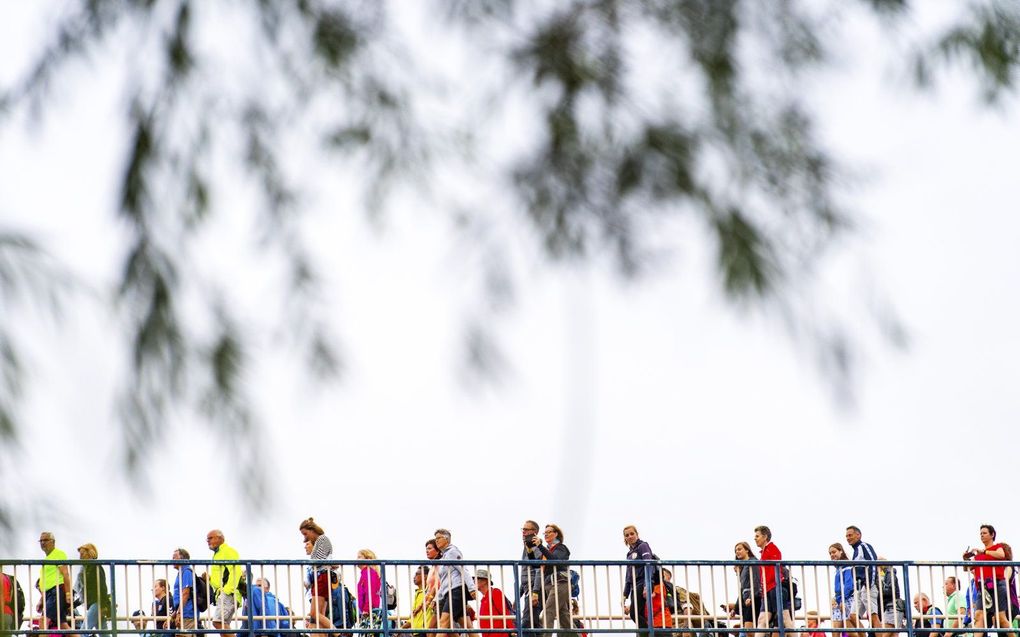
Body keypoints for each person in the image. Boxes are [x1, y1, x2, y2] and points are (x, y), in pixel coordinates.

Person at [963, 524, 1014, 636]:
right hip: (983, 588)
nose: (982, 535)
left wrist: (984, 552)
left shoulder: (997, 547)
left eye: (984, 533)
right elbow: (966, 568)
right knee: (978, 616)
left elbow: (1001, 555)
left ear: (992, 535)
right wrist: (965, 559)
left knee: (1001, 619)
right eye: (980, 533)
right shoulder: (977, 556)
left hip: (997, 585)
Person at [434, 529, 477, 637]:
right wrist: (437, 598)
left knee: (444, 623)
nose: (436, 541)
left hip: (456, 591)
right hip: (450, 592)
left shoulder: (452, 551)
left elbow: (463, 569)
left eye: (438, 538)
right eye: (435, 538)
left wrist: (472, 588)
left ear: (446, 539)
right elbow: (444, 581)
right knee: (467, 627)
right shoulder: (444, 556)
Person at [754, 525, 793, 637]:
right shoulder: (764, 551)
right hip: (767, 589)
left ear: (765, 537)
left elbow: (777, 566)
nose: (755, 538)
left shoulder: (773, 548)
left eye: (757, 536)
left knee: (785, 619)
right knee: (762, 620)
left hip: (775, 587)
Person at [538, 523, 576, 637]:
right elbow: (536, 565)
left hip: (560, 583)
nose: (546, 534)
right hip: (550, 585)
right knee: (564, 616)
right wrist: (530, 548)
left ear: (556, 534)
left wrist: (540, 547)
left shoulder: (561, 548)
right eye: (545, 533)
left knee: (548, 612)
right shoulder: (546, 550)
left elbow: (555, 560)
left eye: (549, 532)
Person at [845, 526, 882, 637]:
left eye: (850, 535)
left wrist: (869, 583)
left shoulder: (864, 546)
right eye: (846, 536)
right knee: (852, 616)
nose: (848, 538)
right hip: (860, 588)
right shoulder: (855, 551)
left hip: (868, 585)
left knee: (873, 615)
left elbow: (873, 563)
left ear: (858, 535)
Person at [300, 518, 335, 631]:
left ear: (312, 530)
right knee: (320, 614)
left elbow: (317, 560)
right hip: (320, 577)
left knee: (315, 613)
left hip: (322, 576)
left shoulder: (322, 539)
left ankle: (338, 634)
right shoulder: (320, 541)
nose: (305, 538)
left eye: (306, 534)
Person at [207, 529, 242, 637]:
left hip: (229, 592)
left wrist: (227, 591)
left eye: (210, 538)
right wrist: (209, 578)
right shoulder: (218, 554)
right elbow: (220, 578)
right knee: (223, 625)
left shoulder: (228, 551)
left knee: (218, 622)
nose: (207, 541)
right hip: (223, 593)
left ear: (220, 538)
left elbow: (236, 571)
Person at [621, 525, 656, 633]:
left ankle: (651, 634)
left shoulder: (643, 546)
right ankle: (646, 633)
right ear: (625, 538)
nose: (630, 536)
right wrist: (624, 595)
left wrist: (647, 585)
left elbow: (648, 564)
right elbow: (628, 576)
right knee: (639, 614)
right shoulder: (629, 554)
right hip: (634, 587)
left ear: (637, 534)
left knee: (634, 613)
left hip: (643, 583)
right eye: (627, 535)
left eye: (632, 533)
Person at [38, 531, 73, 633]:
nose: (43, 543)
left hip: (56, 592)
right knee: (63, 625)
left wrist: (68, 593)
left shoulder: (58, 554)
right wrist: (41, 600)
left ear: (53, 542)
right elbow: (46, 581)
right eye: (41, 540)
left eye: (45, 540)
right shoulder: (47, 558)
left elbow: (65, 574)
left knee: (43, 621)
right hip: (50, 593)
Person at [73, 543, 111, 637]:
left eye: (82, 554)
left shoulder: (95, 567)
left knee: (83, 631)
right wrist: (73, 604)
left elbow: (102, 587)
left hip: (97, 603)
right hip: (92, 603)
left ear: (90, 553)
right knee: (103, 632)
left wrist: (104, 606)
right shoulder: (85, 569)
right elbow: (84, 591)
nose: (80, 557)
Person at [725, 541, 761, 635]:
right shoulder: (744, 566)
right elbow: (742, 590)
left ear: (747, 550)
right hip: (746, 600)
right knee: (747, 630)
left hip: (753, 599)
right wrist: (735, 608)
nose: (737, 552)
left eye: (739, 549)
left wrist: (751, 596)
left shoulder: (753, 562)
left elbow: (756, 581)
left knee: (749, 630)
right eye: (736, 550)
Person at [519, 521, 544, 635]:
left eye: (526, 529)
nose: (523, 532)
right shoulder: (527, 546)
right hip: (529, 589)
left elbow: (539, 569)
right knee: (532, 623)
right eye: (523, 529)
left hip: (534, 590)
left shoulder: (535, 546)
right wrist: (519, 593)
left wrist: (535, 592)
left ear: (535, 532)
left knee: (527, 623)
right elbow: (526, 572)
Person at [475, 568, 515, 637]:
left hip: (499, 634)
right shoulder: (483, 599)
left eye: (476, 579)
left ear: (485, 581)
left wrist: (512, 630)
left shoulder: (495, 592)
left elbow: (504, 612)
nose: (474, 582)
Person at [829, 543, 856, 637]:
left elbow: (849, 585)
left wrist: (843, 599)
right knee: (835, 630)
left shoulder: (846, 566)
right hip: (838, 599)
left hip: (847, 599)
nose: (832, 555)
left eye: (834, 552)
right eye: (830, 553)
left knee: (850, 631)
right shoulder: (838, 568)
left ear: (841, 551)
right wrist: (835, 597)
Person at [404, 566, 434, 637]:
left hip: (424, 631)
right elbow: (413, 617)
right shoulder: (418, 593)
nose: (414, 577)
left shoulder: (428, 592)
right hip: (416, 632)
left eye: (417, 574)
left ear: (425, 576)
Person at [171, 548, 197, 630]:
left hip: (187, 614)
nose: (172, 560)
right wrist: (174, 615)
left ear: (182, 558)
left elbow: (185, 593)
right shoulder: (181, 572)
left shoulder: (186, 571)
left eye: (175, 557)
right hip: (183, 613)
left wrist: (179, 613)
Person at [877, 559, 904, 631]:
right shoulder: (888, 574)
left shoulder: (889, 573)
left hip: (891, 609)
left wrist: (876, 593)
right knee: (892, 634)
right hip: (891, 609)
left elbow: (890, 590)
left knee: (884, 634)